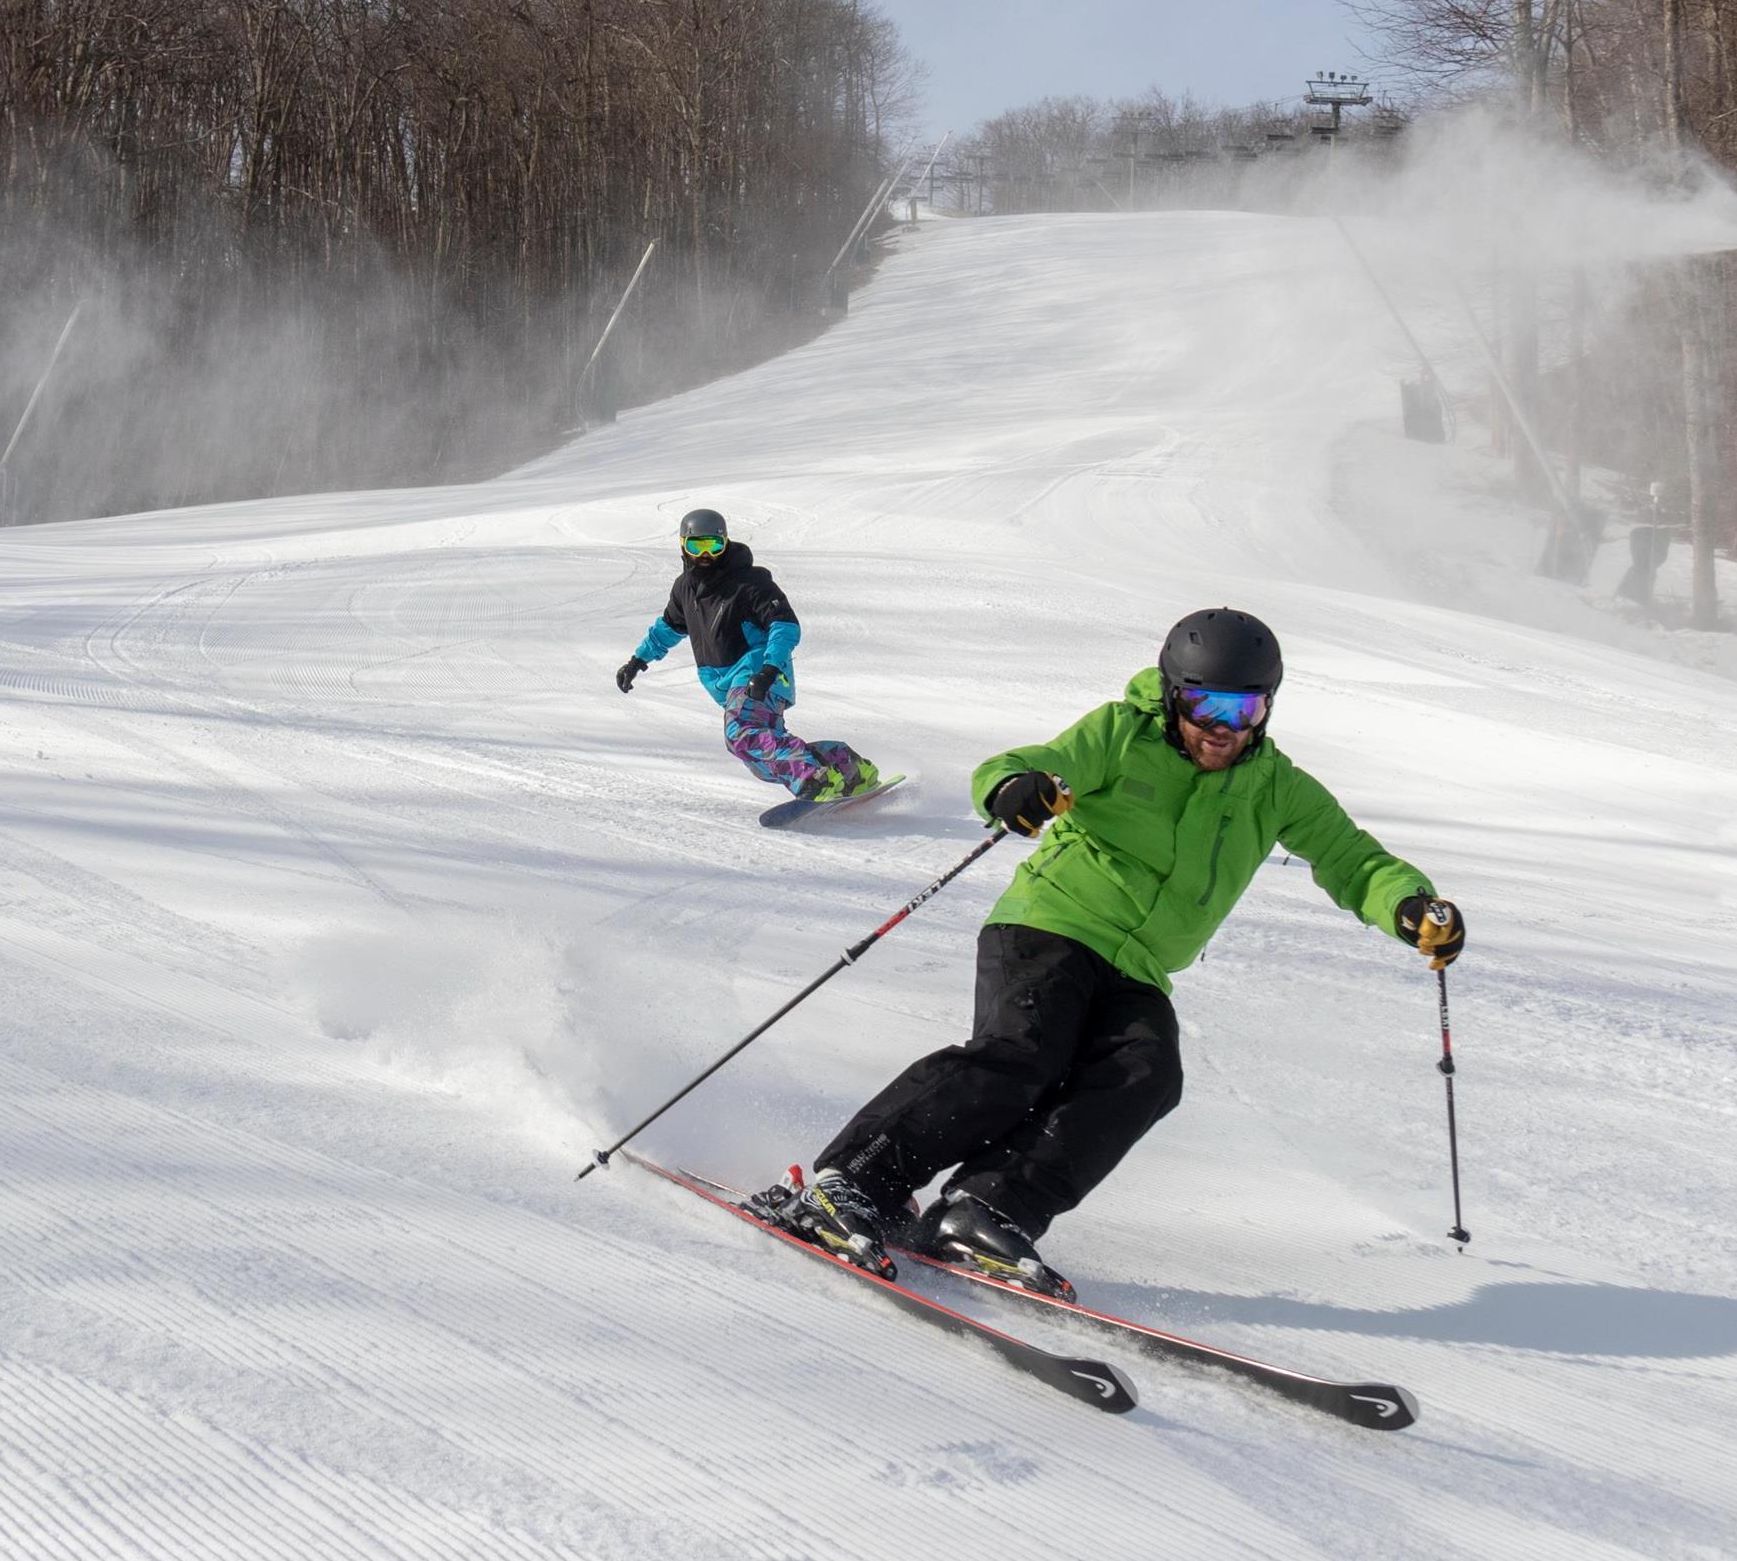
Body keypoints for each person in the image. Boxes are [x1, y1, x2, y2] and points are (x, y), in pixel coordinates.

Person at [759, 608, 1464, 1294]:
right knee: (1023, 1052)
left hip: (1142, 966)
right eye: (1205, 705)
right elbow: (1027, 765)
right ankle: (854, 1182)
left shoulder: (1275, 787)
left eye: (1244, 710)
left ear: (1268, 708)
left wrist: (1408, 905)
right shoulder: (1120, 735)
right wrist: (1016, 789)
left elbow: (1354, 860)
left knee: (1146, 1075)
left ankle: (987, 1207)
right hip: (1052, 924)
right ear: (1172, 694)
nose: (1222, 728)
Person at [616, 508, 878, 804]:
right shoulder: (684, 589)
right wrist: (638, 660)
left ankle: (813, 779)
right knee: (761, 756)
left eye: (714, 545)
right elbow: (667, 628)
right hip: (729, 686)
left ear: (726, 542)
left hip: (759, 674)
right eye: (697, 546)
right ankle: (848, 768)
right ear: (683, 545)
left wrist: (769, 668)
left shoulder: (749, 582)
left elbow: (785, 625)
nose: (706, 555)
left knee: (741, 733)